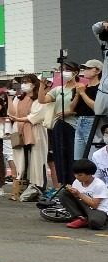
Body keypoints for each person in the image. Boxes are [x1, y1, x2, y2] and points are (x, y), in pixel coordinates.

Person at [40, 61, 80, 189]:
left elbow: (83, 109)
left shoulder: (80, 87)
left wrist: (70, 112)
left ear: (76, 72)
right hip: (59, 125)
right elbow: (42, 100)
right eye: (62, 69)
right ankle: (63, 185)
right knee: (59, 155)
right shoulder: (58, 90)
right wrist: (41, 85)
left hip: (74, 126)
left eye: (68, 69)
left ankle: (74, 184)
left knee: (72, 155)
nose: (64, 72)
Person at [57, 159, 108, 230]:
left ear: (90, 174)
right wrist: (71, 191)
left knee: (95, 223)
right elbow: (75, 199)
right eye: (75, 174)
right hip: (83, 206)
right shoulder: (77, 182)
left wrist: (78, 194)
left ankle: (91, 219)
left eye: (80, 175)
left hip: (97, 210)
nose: (77, 177)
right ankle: (79, 218)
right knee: (63, 192)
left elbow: (94, 205)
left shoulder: (99, 185)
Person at [72, 60, 101, 159]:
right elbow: (71, 108)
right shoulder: (82, 88)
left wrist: (83, 94)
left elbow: (96, 107)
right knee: (78, 158)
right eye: (84, 69)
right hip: (79, 121)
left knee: (92, 156)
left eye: (88, 68)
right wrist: (77, 93)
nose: (85, 71)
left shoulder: (101, 89)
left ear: (97, 71)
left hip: (93, 121)